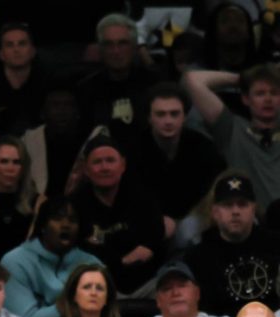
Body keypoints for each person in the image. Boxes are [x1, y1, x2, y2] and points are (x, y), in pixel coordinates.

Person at [132, 83, 225, 249]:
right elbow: (132, 197)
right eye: (160, 114)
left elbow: (216, 188)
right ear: (149, 118)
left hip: (196, 219)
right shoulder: (135, 150)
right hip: (149, 222)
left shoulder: (203, 147)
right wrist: (156, 218)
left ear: (184, 116)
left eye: (174, 114)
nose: (168, 121)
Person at [72, 135, 165, 296]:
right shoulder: (74, 205)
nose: (104, 167)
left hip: (147, 283)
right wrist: (122, 261)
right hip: (98, 286)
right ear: (86, 170)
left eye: (110, 160)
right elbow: (81, 254)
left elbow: (154, 241)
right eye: (97, 162)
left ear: (123, 165)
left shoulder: (143, 197)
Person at [1, 195, 102, 317]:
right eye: (57, 218)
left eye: (72, 220)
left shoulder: (92, 265)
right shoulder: (15, 262)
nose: (65, 225)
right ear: (43, 225)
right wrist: (72, 301)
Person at [184, 64, 280, 208]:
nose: (268, 99)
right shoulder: (231, 128)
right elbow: (193, 79)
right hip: (248, 218)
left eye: (274, 93)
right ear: (246, 98)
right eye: (260, 93)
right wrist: (244, 79)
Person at [185, 172, 280, 316]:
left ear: (253, 209)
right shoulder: (197, 257)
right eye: (228, 205)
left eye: (242, 204)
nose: (235, 211)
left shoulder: (275, 244)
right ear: (215, 212)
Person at [75, 13, 160, 151]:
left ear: (134, 47)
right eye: (108, 44)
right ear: (100, 49)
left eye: (123, 43)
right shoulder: (86, 89)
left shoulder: (155, 85)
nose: (116, 51)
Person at [0, 22, 46, 160]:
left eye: (22, 44)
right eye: (10, 45)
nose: (16, 49)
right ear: (1, 54)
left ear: (32, 51)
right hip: (2, 163)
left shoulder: (47, 90)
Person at [22, 87, 84, 198]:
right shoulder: (28, 142)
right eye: (55, 105)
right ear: (43, 113)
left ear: (77, 112)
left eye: (68, 105)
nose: (62, 112)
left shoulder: (90, 141)